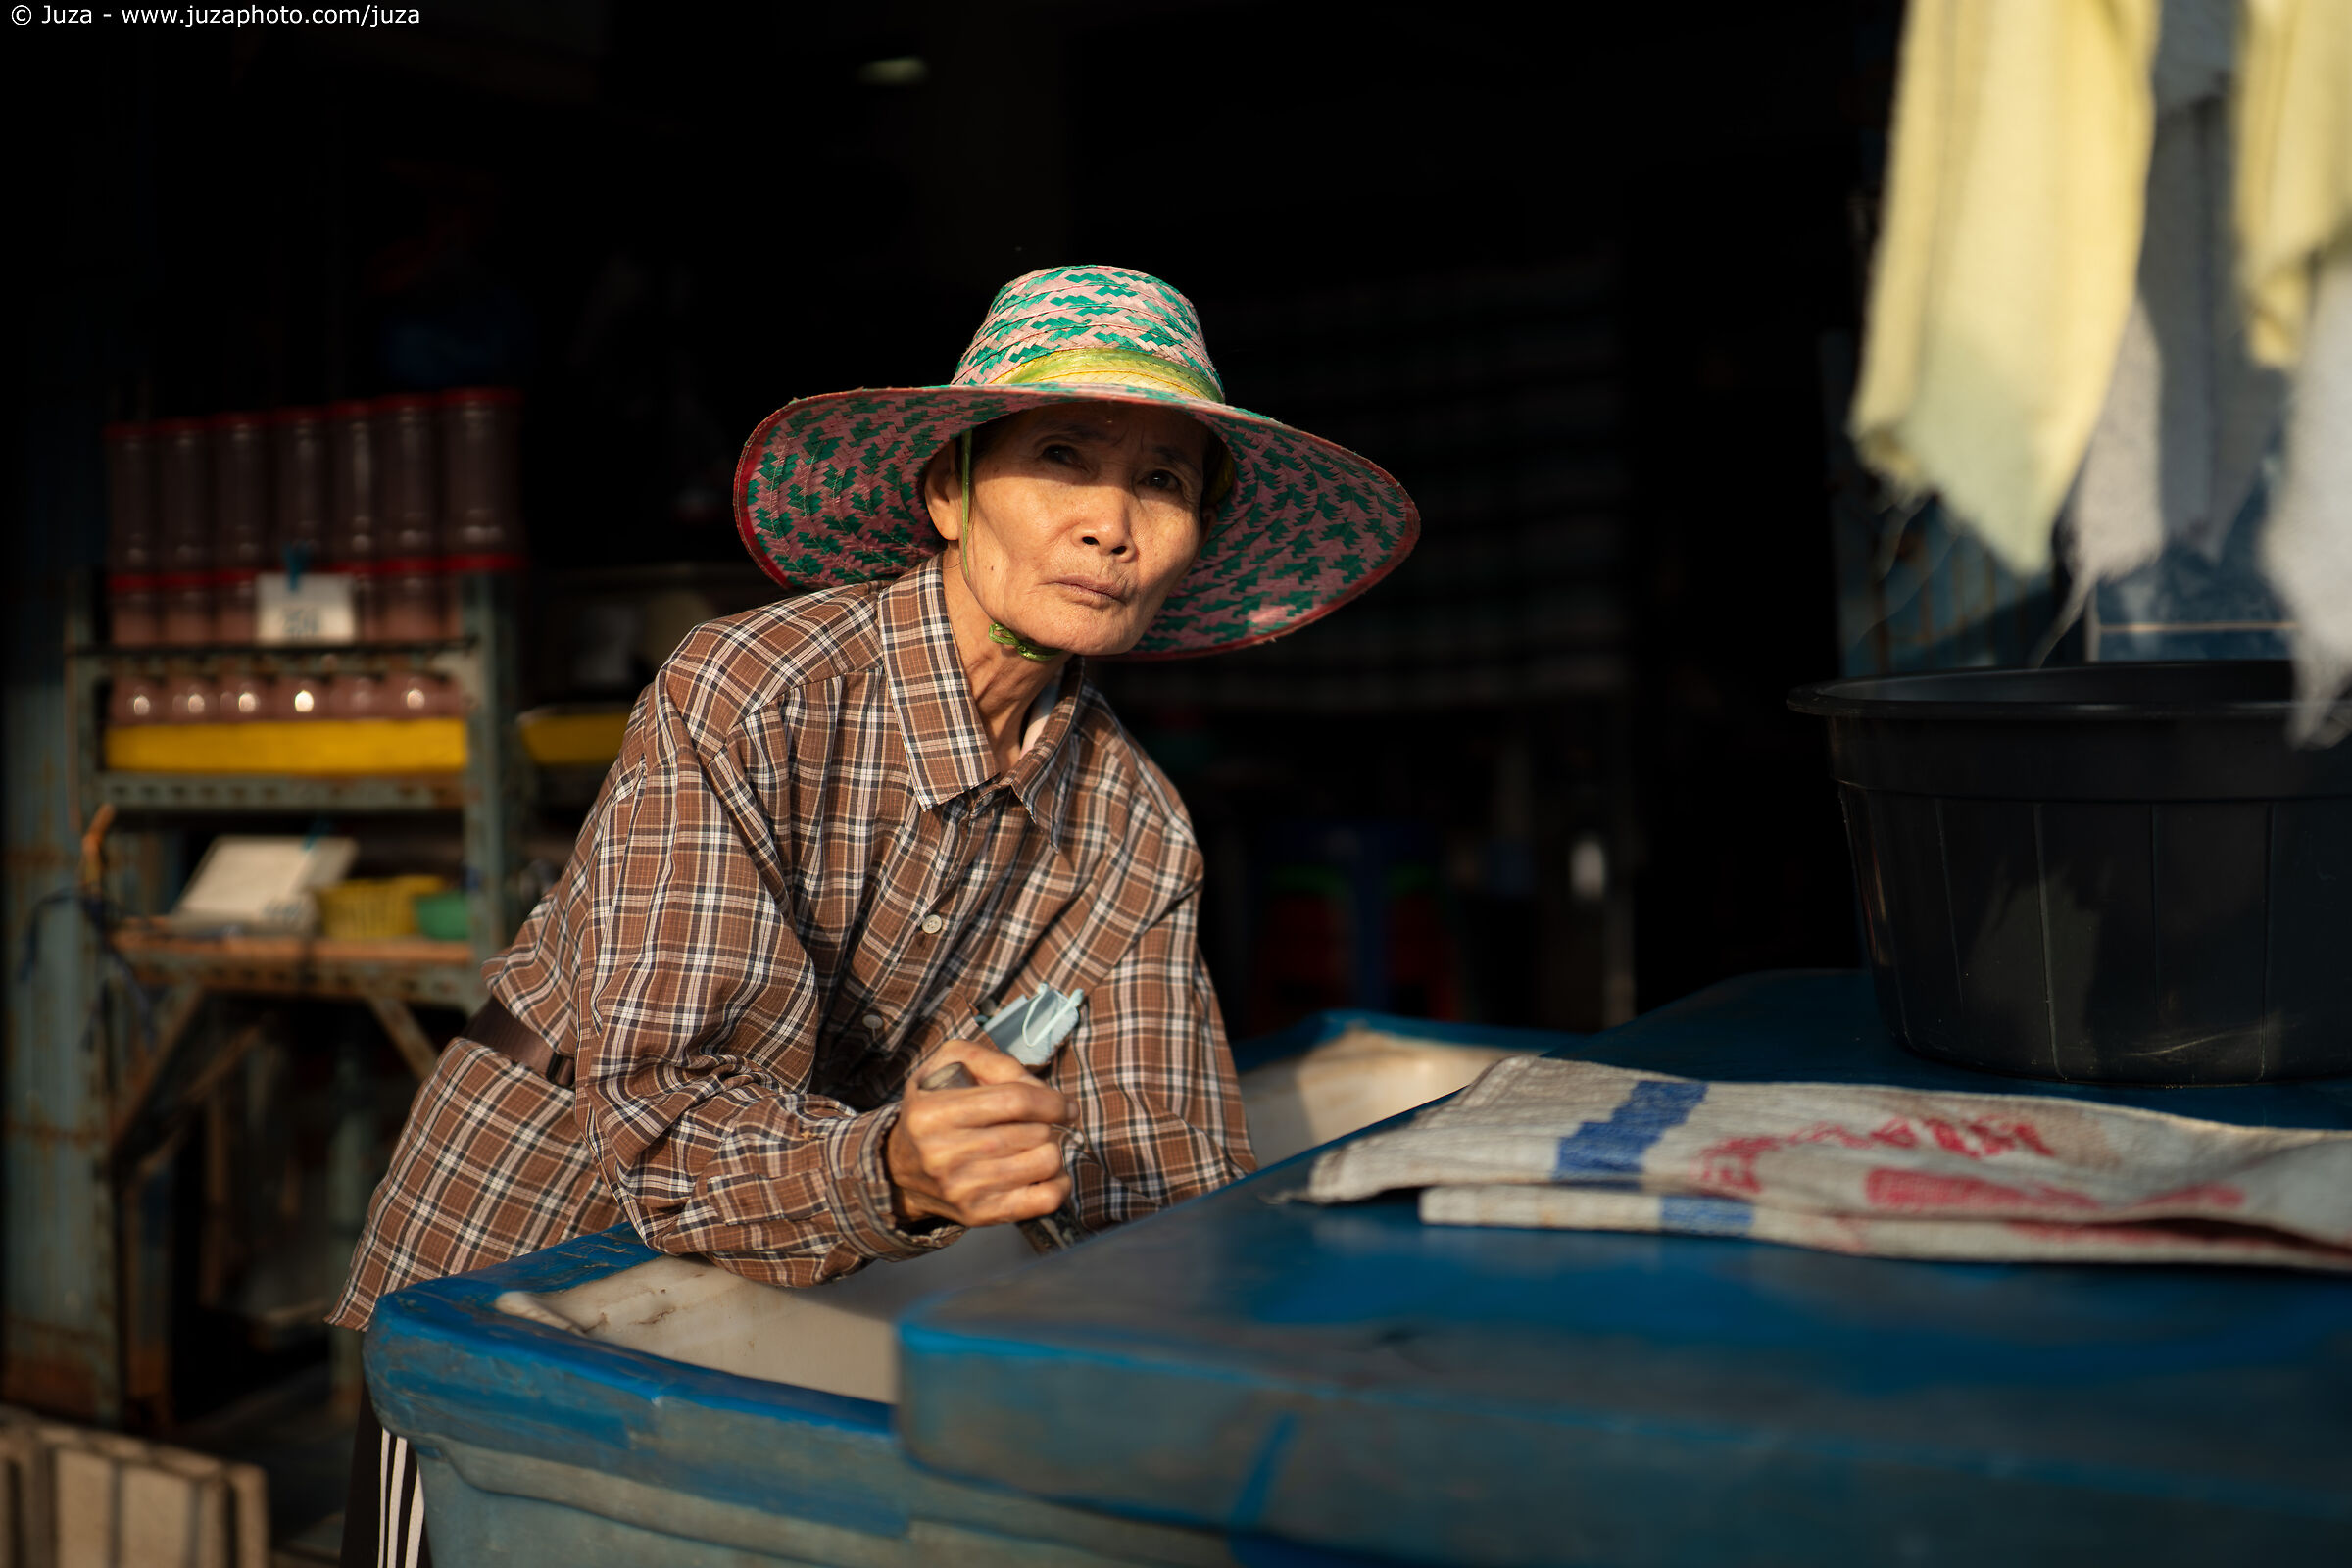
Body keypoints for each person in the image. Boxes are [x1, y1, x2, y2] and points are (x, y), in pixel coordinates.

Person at [334, 264, 1417, 1567]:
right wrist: (900, 1167)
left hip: (782, 1285)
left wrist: (1270, 1361)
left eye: (1164, 481)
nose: (1110, 523)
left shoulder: (1136, 826)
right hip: (520, 1251)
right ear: (949, 494)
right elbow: (676, 1118)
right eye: (1062, 458)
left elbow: (1152, 1179)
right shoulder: (748, 692)